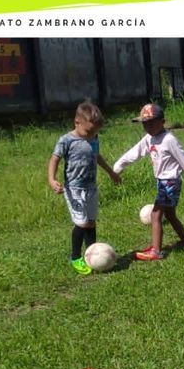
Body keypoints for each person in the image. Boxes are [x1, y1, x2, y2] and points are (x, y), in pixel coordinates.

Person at [113, 103, 184, 261]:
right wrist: (119, 166)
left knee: (156, 214)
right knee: (170, 215)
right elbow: (135, 152)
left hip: (170, 182)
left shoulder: (169, 140)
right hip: (162, 182)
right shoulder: (149, 138)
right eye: (144, 123)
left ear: (162, 122)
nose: (148, 126)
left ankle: (156, 251)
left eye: (151, 122)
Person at [48, 100, 122, 275]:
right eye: (89, 131)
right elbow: (54, 160)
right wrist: (52, 179)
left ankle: (92, 253)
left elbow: (97, 156)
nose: (92, 135)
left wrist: (111, 172)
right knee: (82, 223)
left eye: (95, 132)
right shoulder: (66, 140)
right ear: (77, 122)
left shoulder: (93, 137)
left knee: (91, 222)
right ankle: (75, 257)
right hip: (74, 188)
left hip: (91, 187)